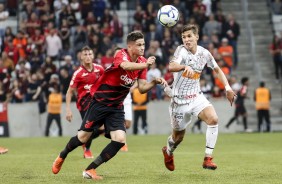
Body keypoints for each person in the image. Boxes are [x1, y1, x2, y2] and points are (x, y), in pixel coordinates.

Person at [52, 31, 168, 180]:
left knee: (120, 139)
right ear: (130, 46)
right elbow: (125, 66)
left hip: (116, 107)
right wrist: (145, 64)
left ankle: (90, 169)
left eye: (143, 44)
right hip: (100, 102)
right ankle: (62, 156)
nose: (142, 47)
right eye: (139, 45)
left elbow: (142, 88)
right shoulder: (121, 54)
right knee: (83, 137)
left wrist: (154, 82)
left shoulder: (142, 62)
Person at [161, 24, 236, 171]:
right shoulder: (181, 50)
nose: (186, 40)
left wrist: (228, 88)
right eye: (184, 37)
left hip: (196, 97)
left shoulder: (204, 53)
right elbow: (171, 66)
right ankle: (168, 152)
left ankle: (208, 159)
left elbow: (217, 69)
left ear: (197, 37)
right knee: (178, 138)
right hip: (179, 101)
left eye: (189, 36)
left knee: (213, 119)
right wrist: (184, 67)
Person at [65, 46, 104, 158]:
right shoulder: (78, 73)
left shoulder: (99, 69)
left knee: (102, 129)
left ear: (93, 56)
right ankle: (87, 149)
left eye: (89, 54)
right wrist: (68, 110)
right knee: (91, 129)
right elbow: (69, 92)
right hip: (84, 105)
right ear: (81, 57)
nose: (88, 57)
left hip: (98, 102)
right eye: (85, 55)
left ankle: (82, 138)